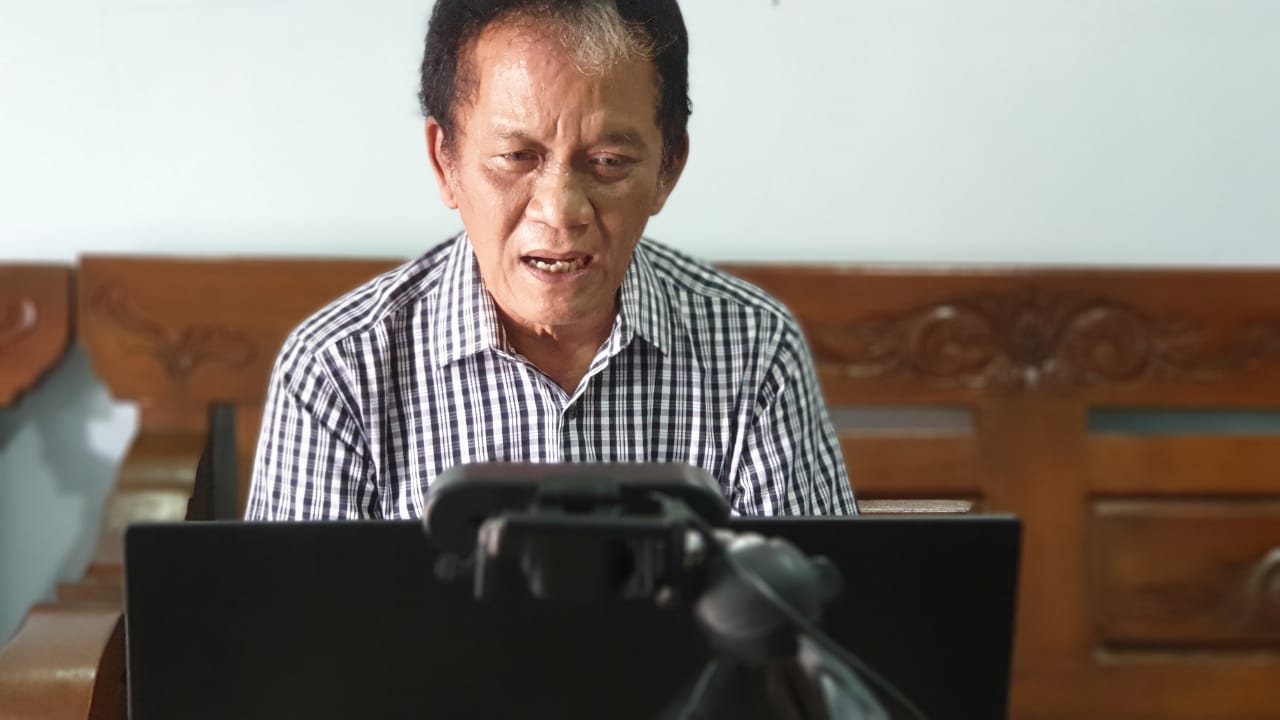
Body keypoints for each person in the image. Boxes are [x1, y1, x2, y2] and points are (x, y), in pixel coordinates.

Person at [245, 0, 857, 520]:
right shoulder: (339, 371)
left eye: (609, 163)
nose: (561, 211)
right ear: (444, 161)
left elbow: (808, 614)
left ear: (668, 167)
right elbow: (296, 623)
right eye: (517, 157)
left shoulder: (753, 353)